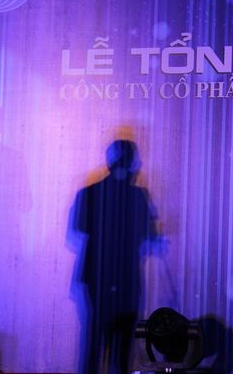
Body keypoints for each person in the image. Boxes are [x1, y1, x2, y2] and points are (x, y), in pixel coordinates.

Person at [72, 140, 157, 373]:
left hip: (97, 274)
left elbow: (80, 227)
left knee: (95, 340)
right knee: (123, 345)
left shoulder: (90, 192)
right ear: (132, 162)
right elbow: (150, 233)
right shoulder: (139, 196)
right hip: (126, 276)